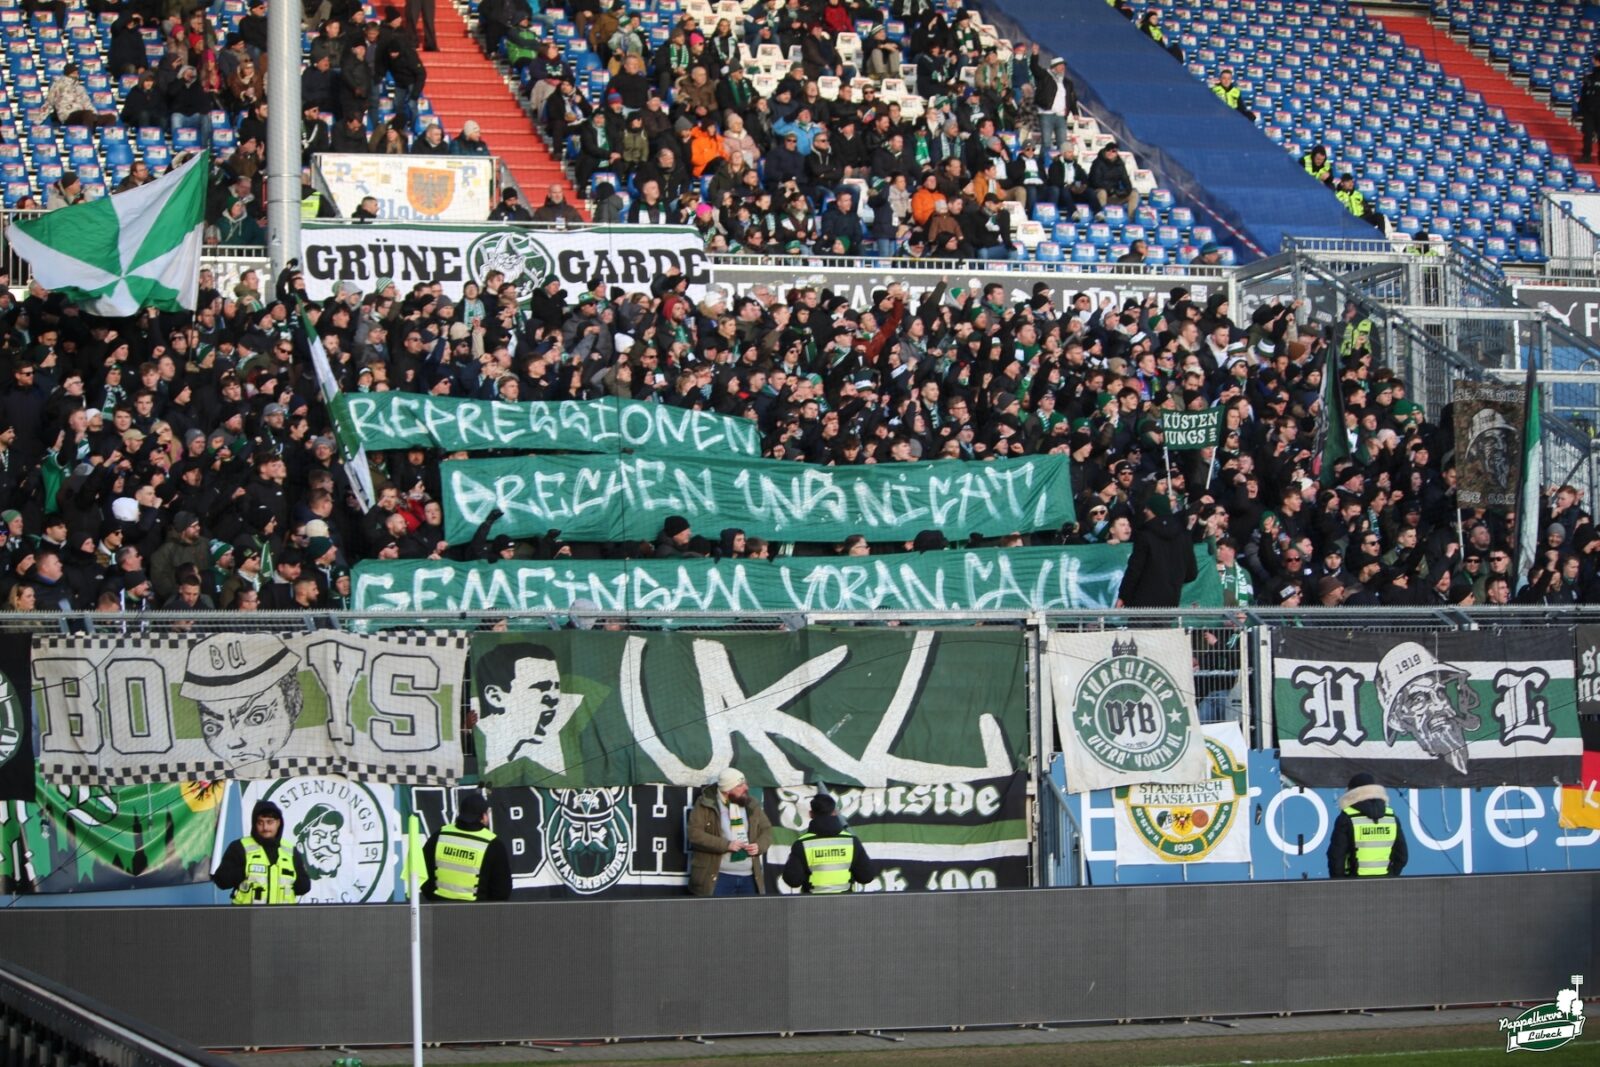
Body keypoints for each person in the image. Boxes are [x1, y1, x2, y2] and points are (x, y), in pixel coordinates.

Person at [688, 768, 772, 896]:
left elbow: (766, 829)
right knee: (717, 915)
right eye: (740, 785)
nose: (746, 787)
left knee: (751, 915)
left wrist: (759, 846)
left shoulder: (751, 804)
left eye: (745, 783)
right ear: (727, 790)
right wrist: (726, 845)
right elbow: (694, 834)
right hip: (718, 876)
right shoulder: (706, 804)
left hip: (749, 876)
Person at [211, 799, 312, 904]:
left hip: (283, 917)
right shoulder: (239, 847)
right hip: (246, 917)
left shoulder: (291, 851)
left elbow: (304, 887)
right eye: (260, 822)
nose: (265, 827)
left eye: (270, 822)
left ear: (278, 823)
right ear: (254, 824)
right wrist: (245, 871)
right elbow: (221, 881)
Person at [422, 790, 512, 901]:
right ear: (483, 816)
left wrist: (434, 899)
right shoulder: (494, 845)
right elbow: (502, 892)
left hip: (438, 910)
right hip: (477, 914)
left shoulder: (439, 835)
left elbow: (421, 873)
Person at [1116, 491, 1198, 608]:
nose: (1144, 511)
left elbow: (1135, 570)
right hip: (1169, 603)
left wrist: (1123, 595)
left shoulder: (1144, 535)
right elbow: (1191, 573)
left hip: (1142, 604)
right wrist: (1172, 580)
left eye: (1147, 509)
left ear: (1154, 510)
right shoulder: (1184, 536)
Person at [782, 793, 873, 894]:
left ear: (811, 814)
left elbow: (793, 880)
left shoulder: (802, 844)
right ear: (834, 812)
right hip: (846, 905)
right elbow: (866, 876)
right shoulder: (851, 842)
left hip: (812, 905)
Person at [1327, 772, 1408, 878]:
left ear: (1350, 793)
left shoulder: (1347, 818)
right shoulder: (1391, 817)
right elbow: (1402, 856)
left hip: (1353, 885)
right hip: (1385, 883)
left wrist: (1341, 884)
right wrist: (1390, 876)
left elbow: (1336, 857)